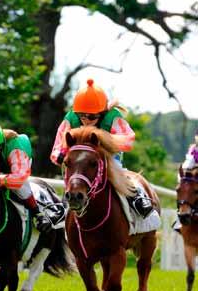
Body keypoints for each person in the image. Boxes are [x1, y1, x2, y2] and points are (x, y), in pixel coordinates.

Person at [50, 78, 153, 218]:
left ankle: (137, 198)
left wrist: (104, 141)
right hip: (78, 159)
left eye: (92, 116)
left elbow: (128, 140)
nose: (86, 120)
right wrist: (60, 155)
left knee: (118, 171)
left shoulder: (112, 117)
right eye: (81, 116)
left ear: (102, 112)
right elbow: (57, 145)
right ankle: (61, 210)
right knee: (72, 176)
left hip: (109, 157)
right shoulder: (70, 118)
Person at [0, 120, 52, 234]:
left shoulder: (16, 147)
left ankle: (38, 214)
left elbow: (19, 178)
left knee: (20, 186)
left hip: (17, 167)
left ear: (2, 143)